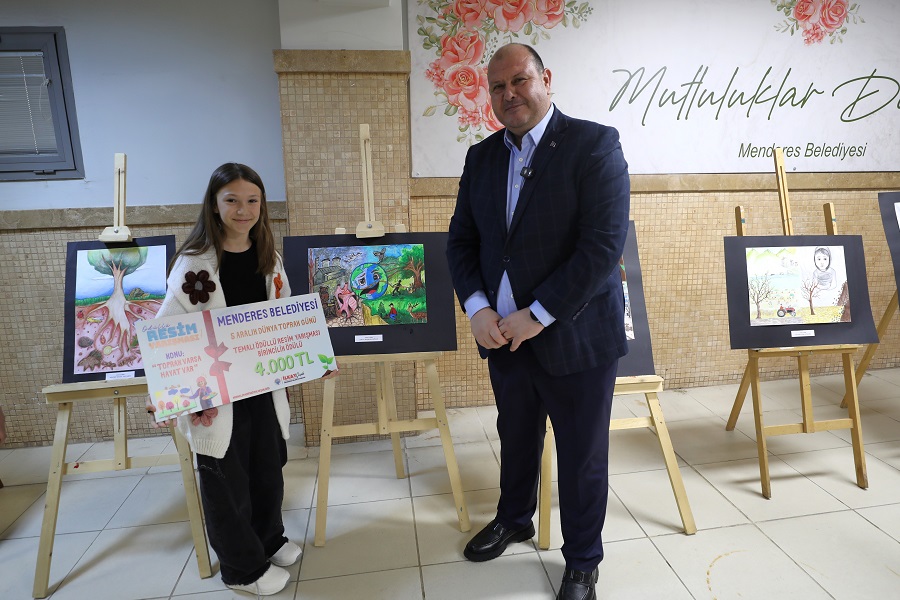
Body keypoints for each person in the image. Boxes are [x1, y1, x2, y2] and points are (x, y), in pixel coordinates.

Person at [446, 44, 630, 600]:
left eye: (519, 80)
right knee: (516, 435)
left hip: (575, 337)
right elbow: (462, 242)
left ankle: (582, 561)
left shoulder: (594, 144)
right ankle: (514, 518)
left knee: (580, 455)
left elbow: (601, 248)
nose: (509, 94)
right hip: (504, 337)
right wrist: (478, 308)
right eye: (498, 87)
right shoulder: (481, 157)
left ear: (545, 78)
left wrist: (540, 314)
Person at [147, 163, 333, 596]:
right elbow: (165, 330)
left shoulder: (270, 257)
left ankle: (268, 539)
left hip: (263, 389)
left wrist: (315, 357)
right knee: (225, 482)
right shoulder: (193, 265)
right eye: (231, 200)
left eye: (252, 200)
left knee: (268, 468)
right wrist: (162, 389)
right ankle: (242, 569)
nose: (243, 210)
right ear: (214, 205)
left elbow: (287, 319)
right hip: (215, 397)